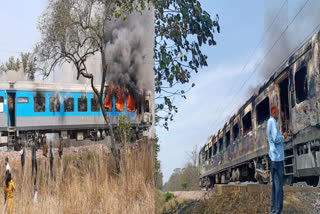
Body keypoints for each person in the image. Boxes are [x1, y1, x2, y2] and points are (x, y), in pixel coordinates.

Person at [267, 105, 287, 214]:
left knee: (275, 187)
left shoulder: (269, 123)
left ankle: (273, 211)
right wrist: (283, 136)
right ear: (274, 113)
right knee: (279, 187)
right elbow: (275, 138)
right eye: (277, 113)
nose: (278, 115)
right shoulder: (273, 122)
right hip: (278, 159)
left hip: (273, 158)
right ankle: (277, 211)